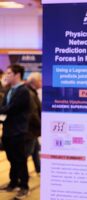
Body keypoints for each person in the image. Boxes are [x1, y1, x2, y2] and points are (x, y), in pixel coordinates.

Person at [0, 64, 31, 199]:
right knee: (11, 159)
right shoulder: (9, 90)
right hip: (8, 130)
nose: (6, 75)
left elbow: (11, 108)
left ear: (17, 75)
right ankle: (13, 183)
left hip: (18, 131)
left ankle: (24, 186)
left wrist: (2, 110)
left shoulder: (23, 91)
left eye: (9, 73)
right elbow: (3, 107)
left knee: (20, 160)